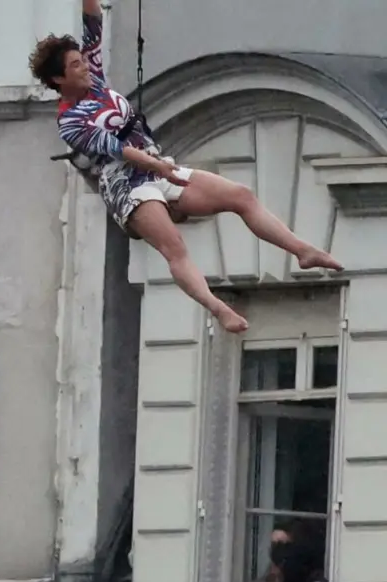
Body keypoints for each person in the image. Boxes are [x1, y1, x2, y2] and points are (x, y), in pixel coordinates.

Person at [28, 0, 343, 333]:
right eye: (76, 66)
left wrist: (159, 167)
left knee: (240, 195)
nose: (85, 68)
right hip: (126, 185)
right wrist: (158, 168)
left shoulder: (93, 79)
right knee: (174, 246)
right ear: (58, 78)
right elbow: (117, 149)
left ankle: (302, 251)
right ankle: (219, 309)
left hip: (156, 164)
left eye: (82, 61)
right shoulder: (69, 121)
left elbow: (92, 15)